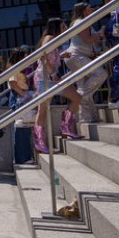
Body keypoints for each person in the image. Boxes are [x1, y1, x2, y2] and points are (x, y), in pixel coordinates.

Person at [32, 18, 85, 153]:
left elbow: (50, 56)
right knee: (42, 110)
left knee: (76, 97)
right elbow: (43, 56)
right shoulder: (49, 38)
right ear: (56, 27)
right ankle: (40, 142)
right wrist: (51, 72)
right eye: (63, 26)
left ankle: (66, 128)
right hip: (45, 79)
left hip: (51, 78)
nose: (65, 28)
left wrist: (60, 55)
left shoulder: (54, 41)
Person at [65, 2, 108, 123]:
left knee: (85, 86)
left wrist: (99, 34)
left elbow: (91, 41)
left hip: (76, 56)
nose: (93, 8)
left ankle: (87, 118)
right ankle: (80, 95)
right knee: (100, 74)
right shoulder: (81, 22)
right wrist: (100, 34)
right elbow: (87, 39)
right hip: (76, 56)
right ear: (84, 11)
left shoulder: (85, 23)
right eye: (90, 7)